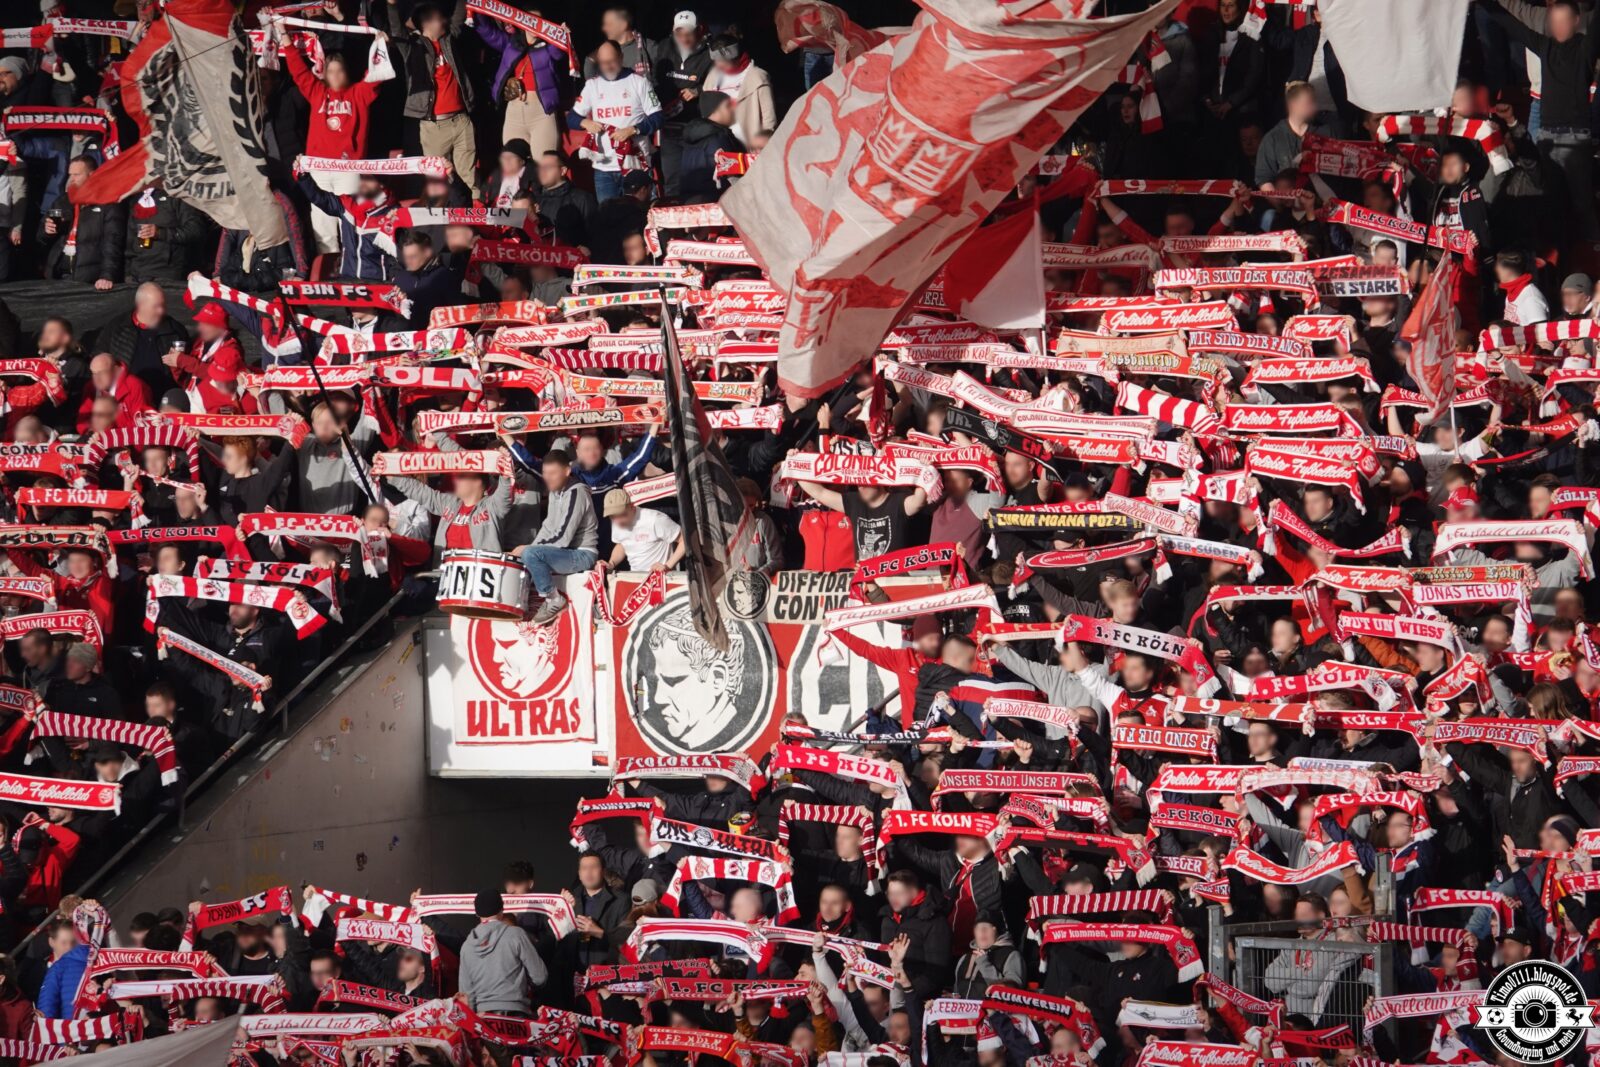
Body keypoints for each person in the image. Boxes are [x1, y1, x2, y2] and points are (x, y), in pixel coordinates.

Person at [386, 0, 479, 199]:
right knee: (438, 183)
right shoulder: (412, 47)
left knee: (469, 178)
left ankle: (475, 222)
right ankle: (443, 226)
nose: (444, 21)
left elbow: (459, 17)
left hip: (461, 121)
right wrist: (392, 5)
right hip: (434, 127)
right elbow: (396, 30)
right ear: (426, 21)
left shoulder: (448, 40)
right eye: (439, 17)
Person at [569, 40, 663, 203]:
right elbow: (572, 118)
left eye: (612, 61)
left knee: (639, 217)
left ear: (621, 57)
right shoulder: (592, 85)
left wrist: (633, 129)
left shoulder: (639, 82)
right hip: (604, 168)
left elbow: (658, 117)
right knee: (608, 221)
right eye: (604, 63)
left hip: (634, 166)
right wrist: (585, 122)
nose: (608, 66)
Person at [516, 450, 598, 624]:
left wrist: (528, 551)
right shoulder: (555, 492)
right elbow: (548, 527)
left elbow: (563, 537)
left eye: (553, 473)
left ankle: (553, 599)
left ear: (567, 471)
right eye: (545, 473)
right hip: (565, 552)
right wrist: (529, 548)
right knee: (523, 557)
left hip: (582, 553)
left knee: (530, 554)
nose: (547, 478)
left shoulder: (577, 492)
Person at [477, 6, 565, 160]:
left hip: (541, 113)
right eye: (530, 21)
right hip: (515, 112)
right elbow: (488, 32)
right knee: (511, 163)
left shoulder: (548, 47)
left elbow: (558, 53)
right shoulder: (511, 43)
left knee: (543, 163)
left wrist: (561, 36)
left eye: (539, 22)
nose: (534, 26)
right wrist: (476, 9)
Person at [457, 890, 547, 1016]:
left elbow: (466, 995)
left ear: (477, 914)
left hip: (483, 1020)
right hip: (516, 1015)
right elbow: (540, 977)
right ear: (502, 910)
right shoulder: (516, 935)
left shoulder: (466, 947)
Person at [700, 34, 775, 149]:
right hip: (718, 146)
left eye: (723, 61)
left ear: (735, 57)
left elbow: (768, 118)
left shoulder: (757, 77)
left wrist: (764, 144)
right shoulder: (713, 76)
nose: (719, 64)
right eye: (716, 61)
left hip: (748, 146)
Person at [678, 90, 742, 204]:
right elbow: (732, 176)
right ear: (716, 110)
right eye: (728, 106)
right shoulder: (718, 136)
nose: (734, 110)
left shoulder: (690, 138)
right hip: (718, 203)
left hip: (690, 202)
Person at [602, 490, 684, 572]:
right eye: (613, 517)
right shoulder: (616, 523)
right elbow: (622, 544)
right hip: (635, 577)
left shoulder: (655, 519)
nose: (618, 521)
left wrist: (667, 566)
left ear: (632, 507)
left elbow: (684, 540)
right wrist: (611, 564)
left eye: (622, 515)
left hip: (661, 578)